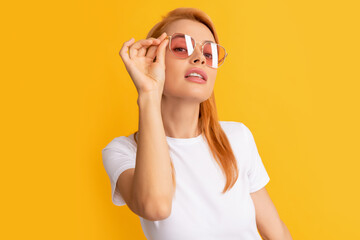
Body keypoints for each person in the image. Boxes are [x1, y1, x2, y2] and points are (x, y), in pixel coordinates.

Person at [102, 7, 292, 240]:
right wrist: (148, 92)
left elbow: (277, 232)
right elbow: (155, 207)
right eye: (182, 48)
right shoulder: (123, 151)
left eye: (210, 53)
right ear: (153, 59)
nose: (200, 58)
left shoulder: (237, 138)